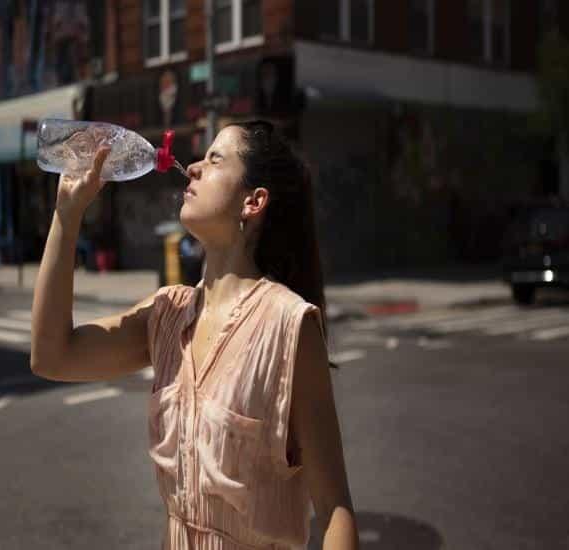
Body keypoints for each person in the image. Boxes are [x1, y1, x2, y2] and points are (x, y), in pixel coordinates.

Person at [30, 120, 358, 550]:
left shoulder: (288, 325)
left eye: (215, 158)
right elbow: (52, 356)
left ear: (253, 202)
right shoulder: (166, 313)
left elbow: (335, 510)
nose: (195, 167)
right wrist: (67, 217)